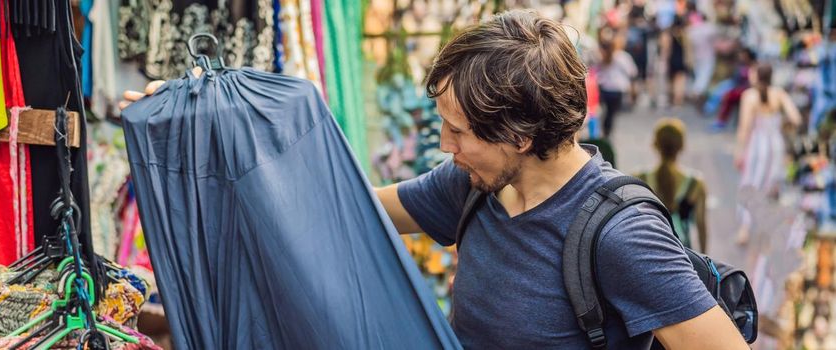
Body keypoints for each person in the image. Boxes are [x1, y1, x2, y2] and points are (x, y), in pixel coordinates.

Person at [123, 10, 747, 349]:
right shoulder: (474, 186)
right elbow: (338, 209)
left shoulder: (620, 235)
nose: (444, 147)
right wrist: (203, 120)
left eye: (459, 132)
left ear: (519, 136)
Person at [636, 118, 708, 252]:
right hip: (684, 256)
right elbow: (701, 228)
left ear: (655, 144)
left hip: (647, 253)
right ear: (682, 146)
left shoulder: (639, 179)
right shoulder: (695, 183)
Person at [735, 63, 802, 195]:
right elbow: (796, 119)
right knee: (768, 186)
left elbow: (744, 127)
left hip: (756, 145)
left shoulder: (749, 96)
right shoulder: (779, 94)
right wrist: (781, 125)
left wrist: (739, 152)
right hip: (776, 144)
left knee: (751, 184)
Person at [595, 39, 638, 138]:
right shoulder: (622, 56)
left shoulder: (601, 57)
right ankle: (607, 132)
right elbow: (632, 72)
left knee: (605, 112)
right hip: (617, 90)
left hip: (604, 89)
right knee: (611, 113)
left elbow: (595, 73)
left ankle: (604, 131)